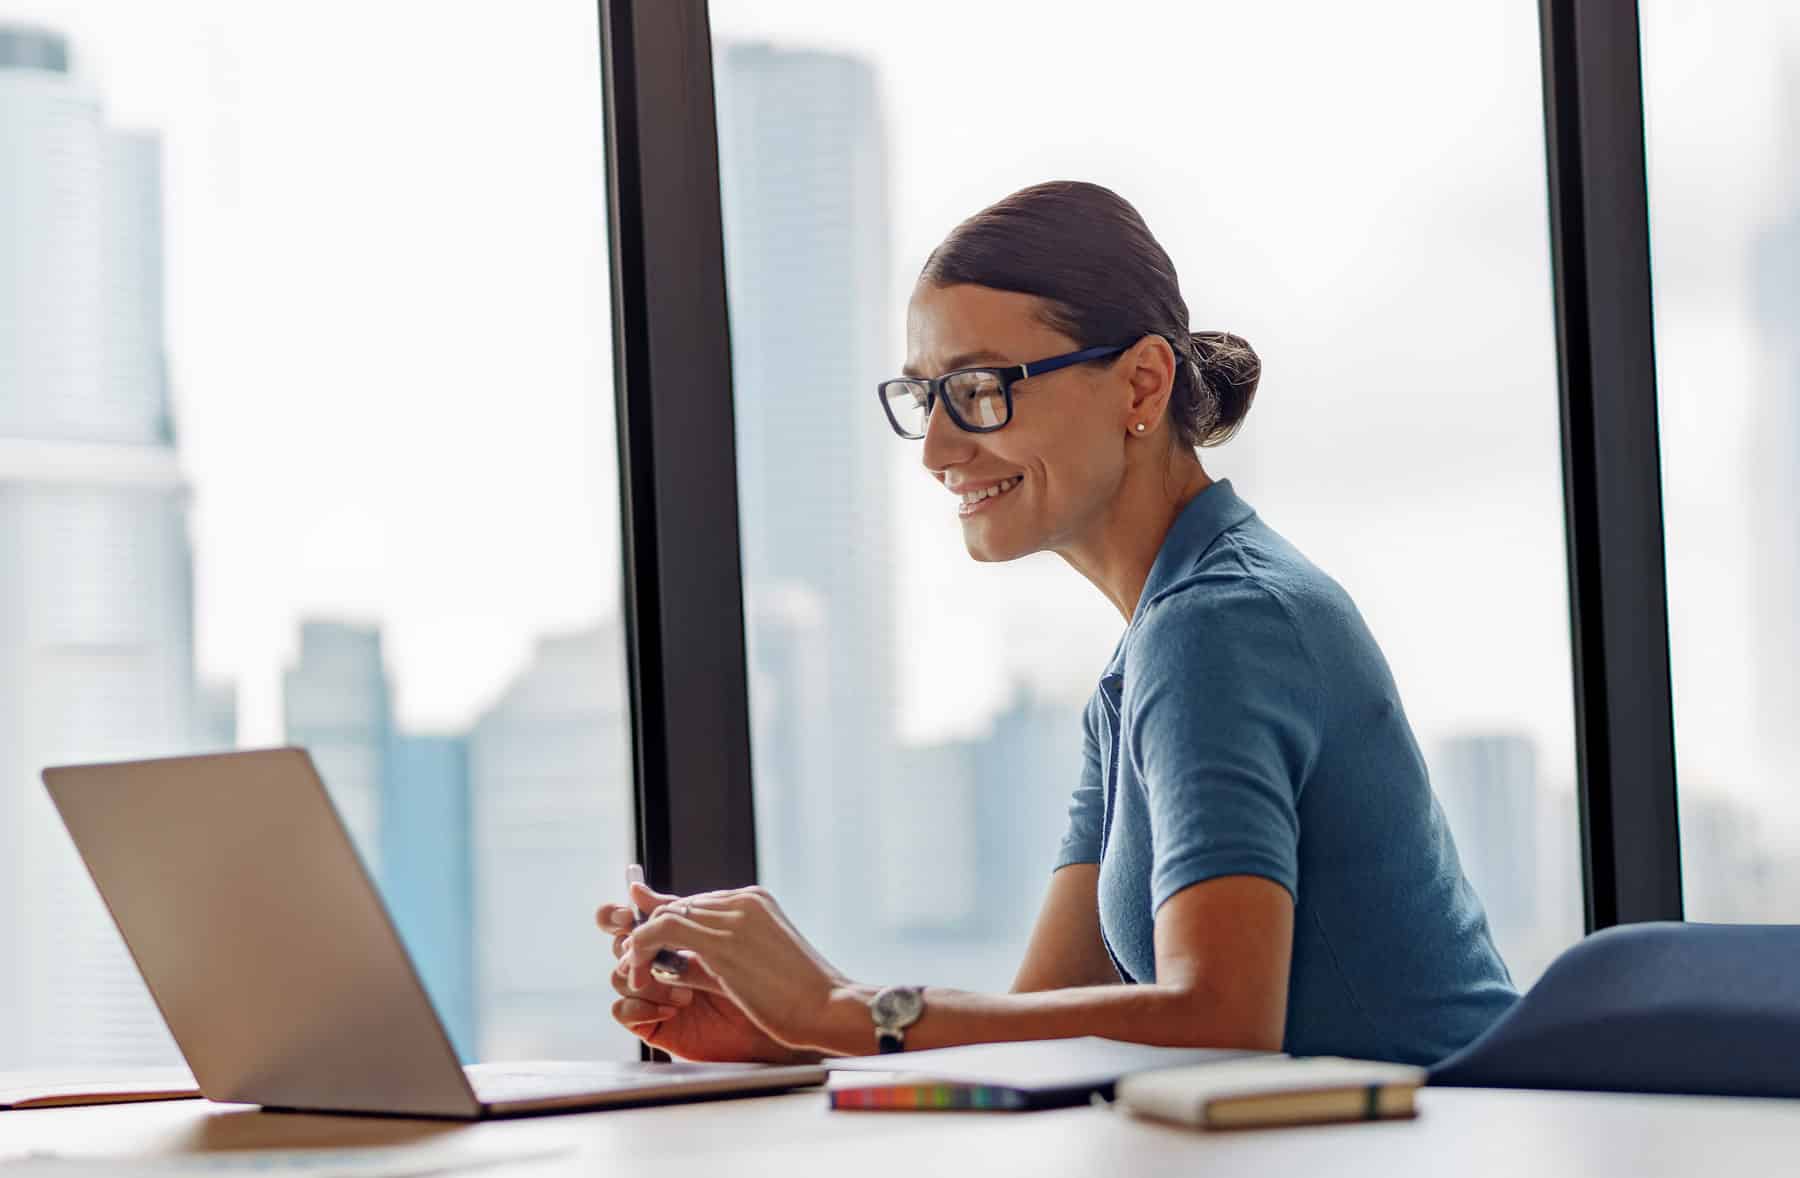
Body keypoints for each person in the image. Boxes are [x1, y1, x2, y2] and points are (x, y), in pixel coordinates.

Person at [596, 180, 1518, 1067]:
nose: (939, 451)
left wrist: (839, 1011)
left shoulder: (1223, 623)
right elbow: (1041, 1026)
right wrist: (795, 1033)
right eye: (925, 398)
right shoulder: (1149, 653)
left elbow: (1222, 1018)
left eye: (981, 389)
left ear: (1141, 389)